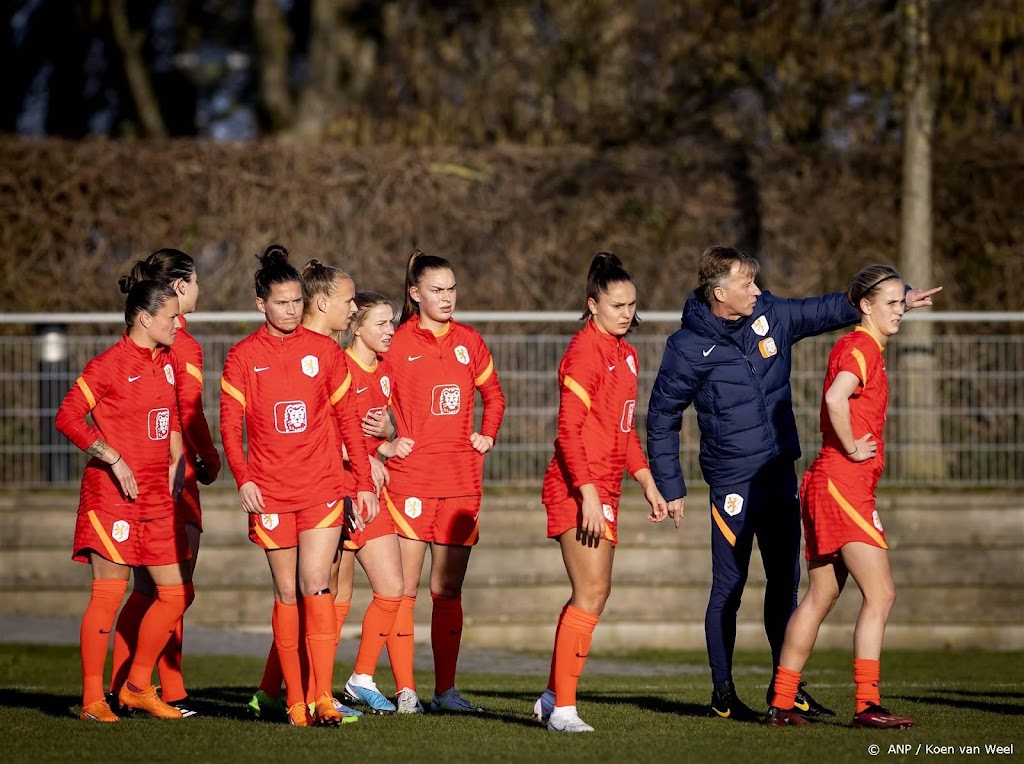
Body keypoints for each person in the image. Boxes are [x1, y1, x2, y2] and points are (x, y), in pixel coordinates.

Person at [646, 245, 941, 720]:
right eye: (746, 284)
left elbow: (827, 308)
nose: (757, 290)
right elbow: (662, 416)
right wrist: (671, 485)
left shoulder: (770, 313)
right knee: (729, 586)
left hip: (780, 472)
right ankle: (723, 692)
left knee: (787, 584)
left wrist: (896, 296)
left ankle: (786, 693)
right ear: (721, 293)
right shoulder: (686, 347)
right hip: (733, 482)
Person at [220, 245, 378, 727]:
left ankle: (323, 698)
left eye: (295, 302)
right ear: (260, 305)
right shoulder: (243, 357)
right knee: (287, 592)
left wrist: (364, 481)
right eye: (281, 302)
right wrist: (243, 478)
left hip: (322, 486)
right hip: (269, 491)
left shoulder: (325, 352)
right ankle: (293, 704)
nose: (290, 310)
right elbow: (229, 427)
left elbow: (348, 420)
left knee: (316, 584)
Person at [766, 265, 922, 729]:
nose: (899, 310)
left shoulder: (864, 343)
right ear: (865, 306)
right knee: (882, 594)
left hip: (826, 483)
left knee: (820, 596)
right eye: (890, 303)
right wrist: (853, 445)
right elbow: (836, 398)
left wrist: (901, 300)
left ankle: (781, 701)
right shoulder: (861, 347)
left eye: (902, 302)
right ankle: (868, 705)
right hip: (841, 482)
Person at [531, 253, 670, 733]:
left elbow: (624, 431)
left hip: (605, 487)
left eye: (632, 304)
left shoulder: (627, 354)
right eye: (616, 305)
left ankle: (553, 697)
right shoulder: (585, 352)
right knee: (589, 591)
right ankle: (563, 710)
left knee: (596, 592)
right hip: (576, 487)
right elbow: (567, 434)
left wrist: (647, 481)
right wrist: (587, 494)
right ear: (592, 306)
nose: (627, 313)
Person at [56, 276, 191, 722]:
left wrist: (177, 463)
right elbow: (68, 416)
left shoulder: (167, 361)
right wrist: (112, 457)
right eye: (171, 317)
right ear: (145, 318)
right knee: (108, 594)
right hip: (111, 498)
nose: (178, 323)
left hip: (155, 499)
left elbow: (168, 420)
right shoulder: (108, 365)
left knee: (175, 594)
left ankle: (136, 686)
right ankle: (93, 699)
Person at [381, 250, 505, 714]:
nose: (447, 297)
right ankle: (407, 690)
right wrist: (386, 444)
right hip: (411, 481)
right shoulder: (395, 343)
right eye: (437, 290)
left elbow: (494, 396)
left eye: (451, 289)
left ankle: (446, 691)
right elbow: (368, 400)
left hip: (460, 482)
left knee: (447, 591)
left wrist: (486, 434)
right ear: (415, 294)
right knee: (404, 590)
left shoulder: (470, 341)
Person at [107, 248, 221, 717]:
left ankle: (146, 688)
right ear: (179, 286)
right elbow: (188, 414)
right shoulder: (182, 343)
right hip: (174, 475)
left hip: (146, 472)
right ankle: (150, 687)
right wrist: (208, 459)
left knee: (151, 591)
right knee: (177, 589)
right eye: (195, 282)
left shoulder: (149, 336)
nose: (199, 290)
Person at [337, 292, 414, 714]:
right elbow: (323, 438)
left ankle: (361, 677)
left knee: (392, 589)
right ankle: (289, 690)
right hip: (338, 491)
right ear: (356, 327)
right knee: (331, 598)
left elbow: (379, 431)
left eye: (392, 322)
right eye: (382, 323)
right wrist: (368, 456)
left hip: (369, 493)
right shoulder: (338, 368)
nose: (390, 330)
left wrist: (388, 436)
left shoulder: (384, 371)